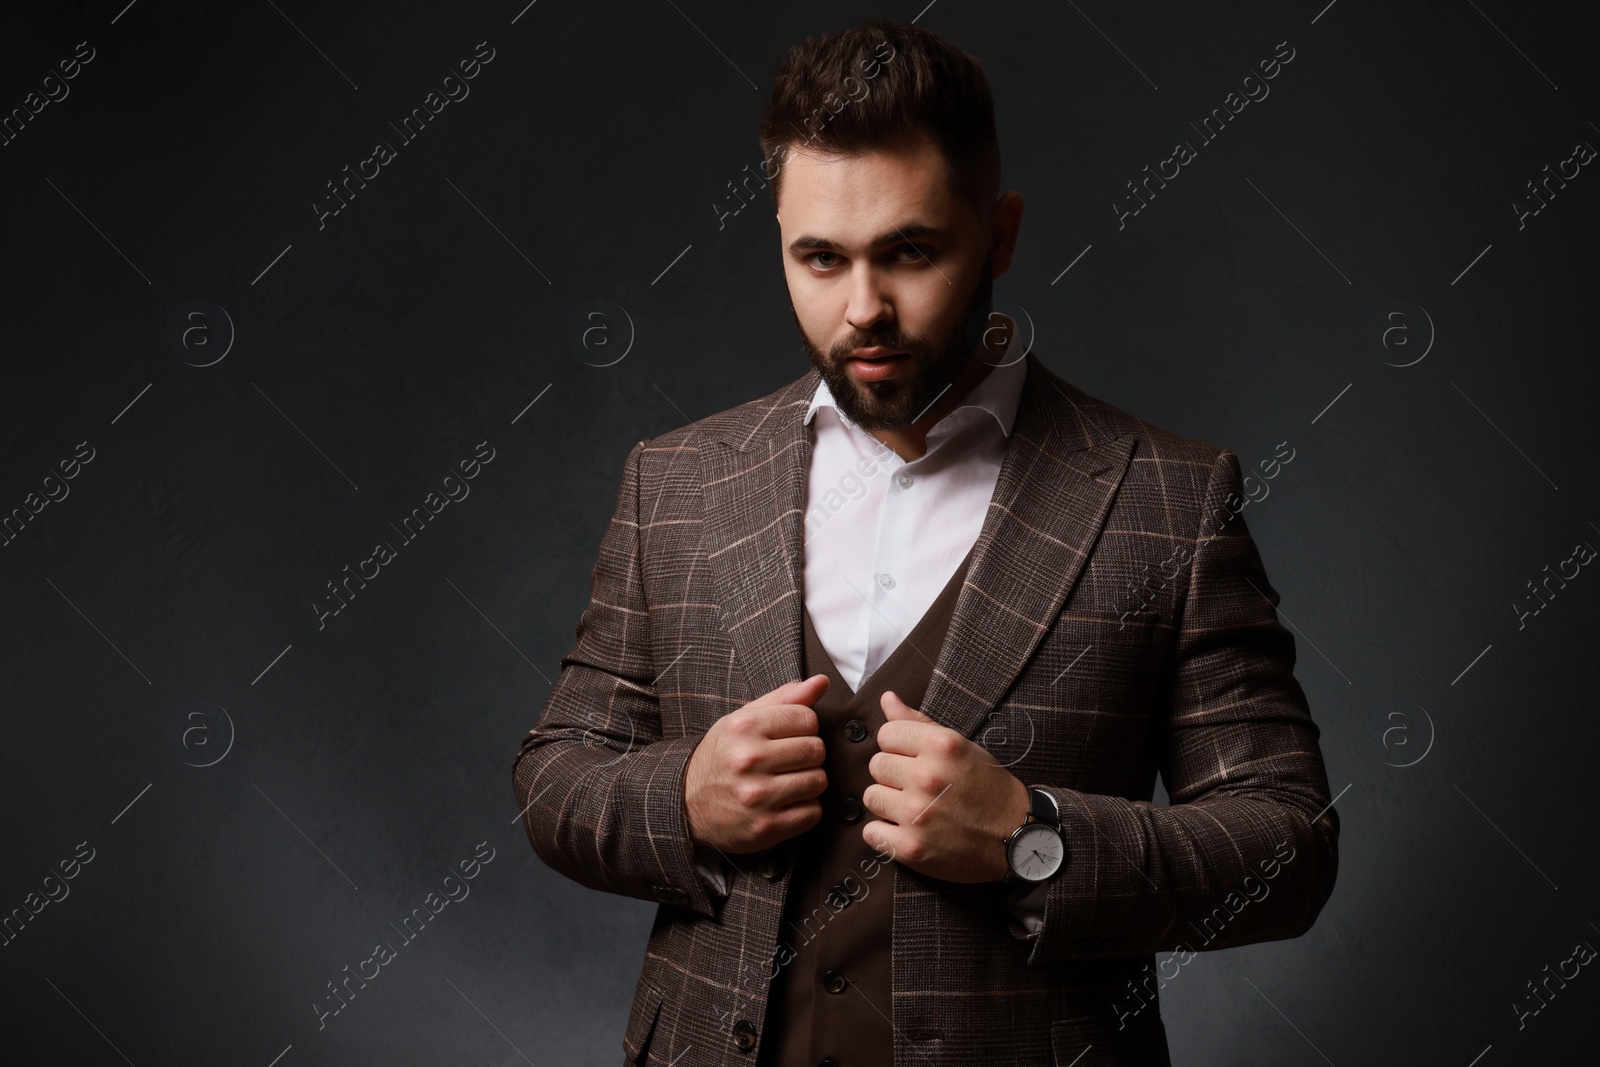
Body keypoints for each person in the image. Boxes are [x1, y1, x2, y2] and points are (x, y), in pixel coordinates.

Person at [513, 17, 1338, 1067]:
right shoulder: (675, 481)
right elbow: (554, 775)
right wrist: (680, 797)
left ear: (998, 234)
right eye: (819, 257)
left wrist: (1033, 838)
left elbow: (1287, 844)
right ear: (777, 236)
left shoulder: (1166, 501)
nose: (863, 308)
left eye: (909, 252)